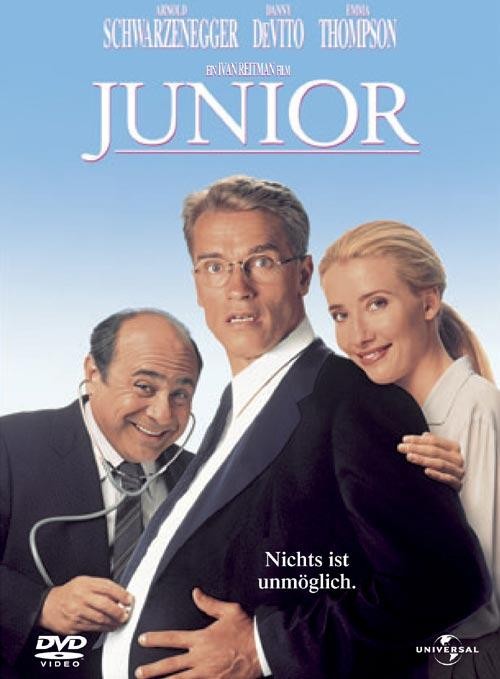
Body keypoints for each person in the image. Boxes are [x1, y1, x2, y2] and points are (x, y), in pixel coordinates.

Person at [102, 176, 489, 679]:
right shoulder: (235, 403)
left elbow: (444, 583)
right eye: (215, 266)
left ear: (303, 275)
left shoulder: (355, 399)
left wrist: (263, 648)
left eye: (261, 262)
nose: (237, 288)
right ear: (197, 282)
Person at [319, 219, 500, 678]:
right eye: (340, 315)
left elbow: (480, 602)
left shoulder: (477, 408)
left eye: (376, 304)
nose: (357, 335)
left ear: (428, 301)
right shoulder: (371, 422)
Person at [0, 308, 201, 679]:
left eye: (181, 394)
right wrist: (40, 605)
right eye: (144, 387)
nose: (162, 414)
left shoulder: (201, 474)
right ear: (93, 373)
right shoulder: (9, 445)